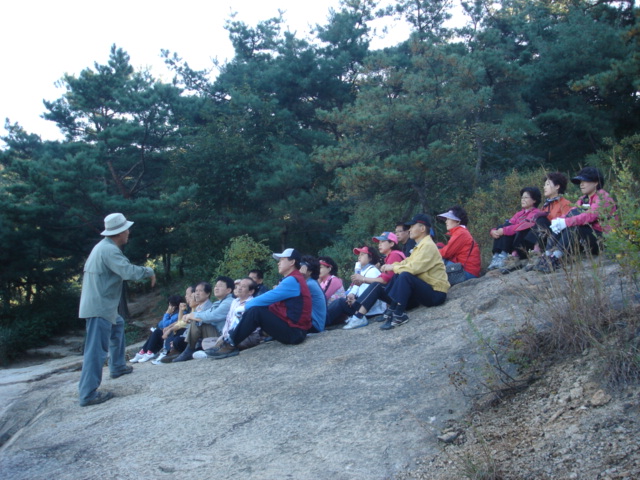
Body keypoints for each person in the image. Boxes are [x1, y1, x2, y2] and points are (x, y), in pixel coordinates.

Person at [78, 213, 156, 407]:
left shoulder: (103, 247)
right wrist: (149, 271)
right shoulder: (109, 251)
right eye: (127, 229)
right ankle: (88, 394)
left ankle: (118, 366)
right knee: (96, 351)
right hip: (100, 308)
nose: (129, 232)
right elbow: (128, 271)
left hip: (102, 306)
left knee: (118, 324)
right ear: (119, 232)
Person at [205, 248, 311, 359]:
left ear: (292, 262)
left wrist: (244, 306)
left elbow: (267, 297)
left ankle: (230, 344)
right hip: (295, 331)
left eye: (282, 260)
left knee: (256, 311)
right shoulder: (293, 279)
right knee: (257, 309)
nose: (278, 263)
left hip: (295, 333)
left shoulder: (292, 280)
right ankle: (229, 342)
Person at [534, 167, 616, 273]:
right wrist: (559, 221)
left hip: (602, 238)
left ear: (595, 182)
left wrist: (565, 222)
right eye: (581, 181)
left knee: (573, 226)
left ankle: (556, 257)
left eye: (585, 181)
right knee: (565, 222)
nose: (581, 184)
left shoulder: (603, 197)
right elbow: (571, 213)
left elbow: (591, 215)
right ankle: (548, 255)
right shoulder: (583, 199)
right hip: (587, 237)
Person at [376, 214, 449, 330]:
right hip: (428, 290)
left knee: (405, 275)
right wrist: (392, 266)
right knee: (400, 273)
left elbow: (414, 268)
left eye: (412, 226)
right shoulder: (420, 246)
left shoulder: (428, 246)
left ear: (422, 229)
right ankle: (393, 308)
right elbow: (407, 262)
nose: (409, 230)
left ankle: (399, 313)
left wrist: (392, 268)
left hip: (436, 294)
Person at [342, 232, 406, 329]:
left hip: (402, 299)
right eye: (379, 242)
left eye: (382, 241)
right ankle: (357, 315)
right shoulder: (390, 257)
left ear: (392, 244)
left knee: (377, 285)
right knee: (376, 285)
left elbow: (384, 281)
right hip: (399, 298)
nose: (379, 244)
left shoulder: (394, 255)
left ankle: (358, 316)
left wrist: (363, 279)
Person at [193, 277, 260, 358]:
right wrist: (224, 336)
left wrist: (227, 337)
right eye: (239, 286)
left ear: (251, 291)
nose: (239, 288)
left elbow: (239, 324)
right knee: (215, 340)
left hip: (248, 335)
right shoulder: (235, 302)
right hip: (232, 334)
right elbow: (228, 320)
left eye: (243, 286)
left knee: (228, 341)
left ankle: (213, 352)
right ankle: (215, 349)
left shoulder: (252, 303)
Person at [173, 277, 234, 362]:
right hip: (217, 333)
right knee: (196, 320)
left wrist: (192, 315)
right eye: (216, 286)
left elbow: (212, 316)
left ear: (228, 290)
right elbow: (205, 314)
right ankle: (187, 350)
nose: (216, 288)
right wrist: (191, 315)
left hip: (224, 335)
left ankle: (189, 350)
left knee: (197, 321)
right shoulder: (218, 302)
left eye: (220, 286)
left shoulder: (229, 301)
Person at [325, 245, 384, 328]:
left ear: (370, 258)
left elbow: (369, 295)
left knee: (340, 302)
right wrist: (351, 295)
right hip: (362, 306)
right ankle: (321, 322)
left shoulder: (373, 271)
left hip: (370, 311)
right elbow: (355, 287)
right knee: (340, 302)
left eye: (363, 254)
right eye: (359, 255)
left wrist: (355, 301)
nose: (359, 257)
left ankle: (320, 323)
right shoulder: (363, 271)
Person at [487, 187, 544, 271]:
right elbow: (508, 224)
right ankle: (497, 255)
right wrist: (493, 231)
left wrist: (505, 231)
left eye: (526, 198)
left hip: (523, 243)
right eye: (522, 198)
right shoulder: (519, 214)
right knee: (503, 226)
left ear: (534, 200)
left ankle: (503, 255)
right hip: (514, 241)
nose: (522, 200)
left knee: (508, 229)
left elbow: (524, 226)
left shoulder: (535, 213)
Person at [130, 294, 185, 363]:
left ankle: (150, 352)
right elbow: (161, 324)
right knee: (156, 331)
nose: (169, 307)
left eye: (170, 305)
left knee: (157, 332)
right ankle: (144, 351)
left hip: (174, 335)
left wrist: (167, 313)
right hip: (170, 333)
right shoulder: (174, 314)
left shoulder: (179, 313)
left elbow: (164, 324)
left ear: (174, 306)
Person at [436, 206, 481, 280]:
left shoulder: (461, 233)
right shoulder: (461, 232)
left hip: (466, 272)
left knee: (434, 259)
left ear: (458, 221)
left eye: (448, 219)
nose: (446, 221)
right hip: (467, 270)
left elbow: (446, 253)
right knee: (439, 247)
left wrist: (428, 252)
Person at [300, 255, 327, 333]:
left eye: (302, 267)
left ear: (310, 271)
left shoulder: (309, 284)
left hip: (315, 326)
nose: (299, 269)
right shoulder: (310, 282)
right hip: (314, 324)